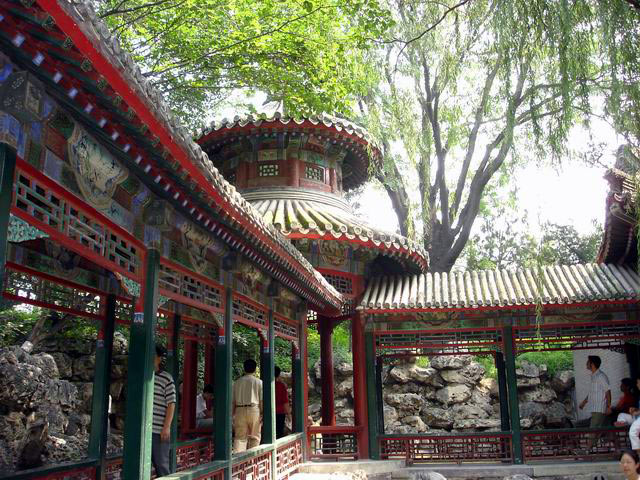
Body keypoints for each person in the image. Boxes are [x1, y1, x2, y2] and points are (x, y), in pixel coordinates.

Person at [152, 344, 176, 477]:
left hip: (159, 431)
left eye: (153, 356)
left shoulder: (167, 378)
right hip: (143, 431)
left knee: (161, 465)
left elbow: (171, 404)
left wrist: (166, 427)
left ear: (159, 359)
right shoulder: (140, 377)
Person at [232, 359, 263, 452]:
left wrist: (232, 414)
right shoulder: (259, 382)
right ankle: (253, 461)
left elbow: (233, 401)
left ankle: (238, 462)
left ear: (244, 369)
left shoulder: (237, 382)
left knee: (240, 438)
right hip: (254, 410)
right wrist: (262, 413)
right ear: (255, 369)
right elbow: (261, 400)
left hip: (239, 410)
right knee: (254, 437)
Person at [578, 355, 611, 427]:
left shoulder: (600, 376)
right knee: (596, 433)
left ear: (592, 364)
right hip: (594, 409)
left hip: (599, 409)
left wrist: (609, 407)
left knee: (592, 435)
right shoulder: (594, 376)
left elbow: (607, 391)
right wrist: (584, 402)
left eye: (588, 362)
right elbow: (591, 393)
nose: (586, 363)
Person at [274, 366, 291, 438]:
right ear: (278, 375)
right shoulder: (281, 386)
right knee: (279, 433)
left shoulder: (263, 385)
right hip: (279, 414)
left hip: (267, 414)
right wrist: (289, 414)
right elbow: (285, 402)